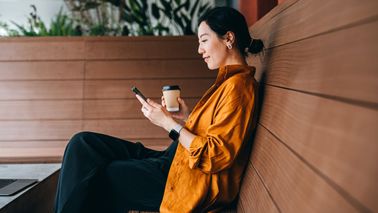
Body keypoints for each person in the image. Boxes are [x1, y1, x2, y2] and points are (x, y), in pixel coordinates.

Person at [54, 6, 263, 213]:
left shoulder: (239, 87)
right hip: (173, 162)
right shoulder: (227, 82)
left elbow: (215, 156)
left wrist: (168, 124)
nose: (200, 50)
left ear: (228, 38)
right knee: (82, 143)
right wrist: (187, 118)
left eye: (204, 40)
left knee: (104, 175)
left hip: (187, 183)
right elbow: (216, 131)